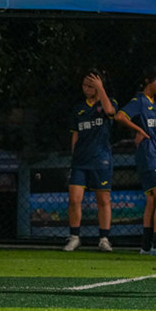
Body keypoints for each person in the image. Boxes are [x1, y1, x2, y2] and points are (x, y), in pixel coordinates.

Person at [116, 67, 156, 256]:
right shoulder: (140, 101)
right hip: (148, 154)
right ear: (149, 82)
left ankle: (145, 246)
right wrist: (139, 130)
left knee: (152, 199)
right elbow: (120, 115)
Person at [64, 69, 118, 252]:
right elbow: (75, 135)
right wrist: (74, 157)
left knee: (103, 199)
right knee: (74, 199)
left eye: (90, 85)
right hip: (80, 161)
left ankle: (104, 238)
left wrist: (100, 88)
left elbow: (111, 111)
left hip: (101, 159)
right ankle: (74, 237)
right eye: (84, 85)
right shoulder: (78, 108)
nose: (86, 88)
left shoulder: (108, 103)